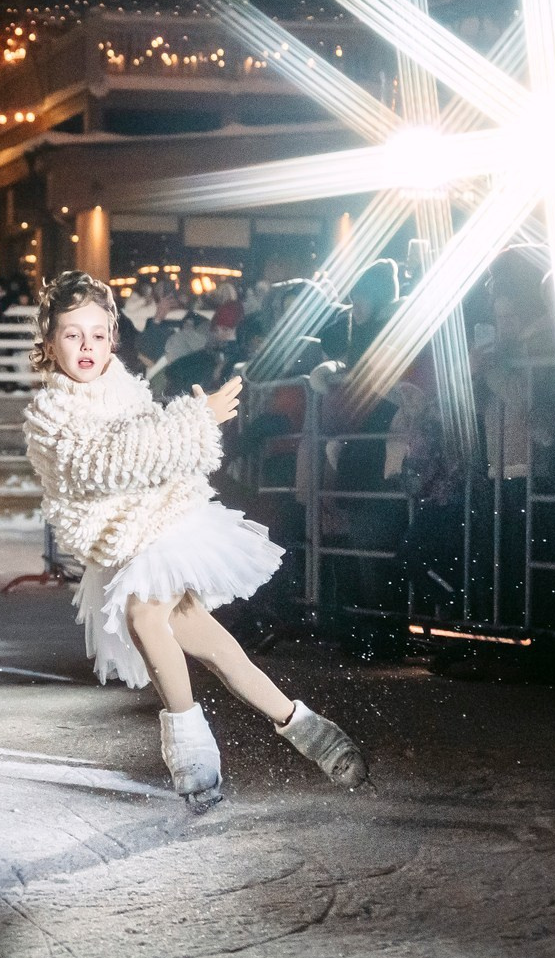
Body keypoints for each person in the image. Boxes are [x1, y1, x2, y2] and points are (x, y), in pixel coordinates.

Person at [22, 271, 365, 807]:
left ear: (113, 335)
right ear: (49, 343)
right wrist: (192, 421)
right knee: (211, 645)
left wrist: (191, 426)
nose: (86, 347)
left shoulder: (125, 389)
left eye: (96, 333)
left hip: (165, 526)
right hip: (122, 542)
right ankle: (305, 726)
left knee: (144, 616)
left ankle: (190, 750)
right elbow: (102, 463)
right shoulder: (49, 415)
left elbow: (161, 452)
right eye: (71, 335)